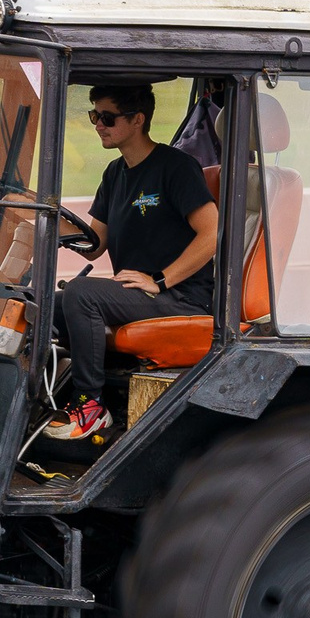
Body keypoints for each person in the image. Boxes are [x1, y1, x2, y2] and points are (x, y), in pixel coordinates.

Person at [42, 81, 219, 441]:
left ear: (138, 119)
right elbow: (94, 245)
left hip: (181, 297)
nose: (98, 125)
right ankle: (45, 396)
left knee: (82, 294)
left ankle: (90, 405)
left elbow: (212, 233)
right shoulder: (114, 173)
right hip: (140, 292)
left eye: (107, 117)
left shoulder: (176, 167)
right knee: (45, 305)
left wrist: (160, 280)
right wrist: (36, 216)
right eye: (94, 116)